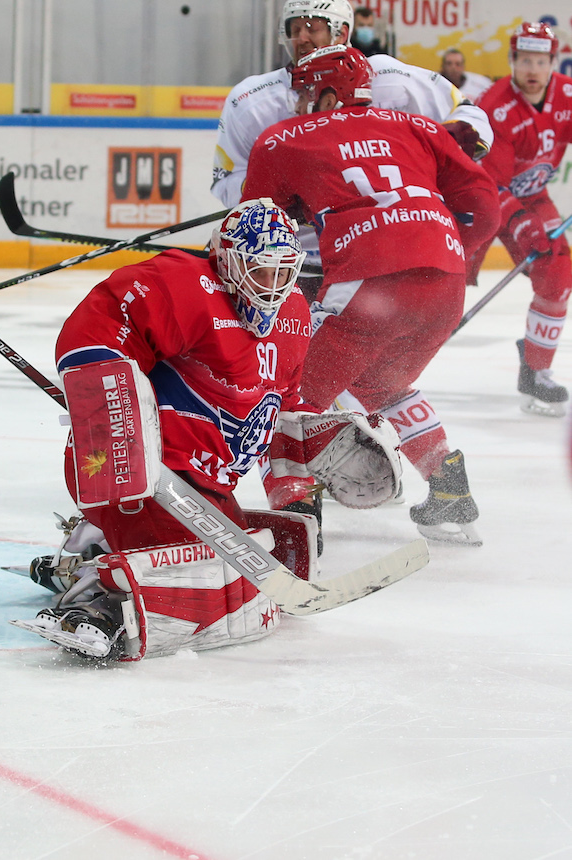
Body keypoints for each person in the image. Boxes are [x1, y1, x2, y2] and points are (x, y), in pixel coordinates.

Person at [13, 199, 402, 661]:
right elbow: (98, 329)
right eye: (261, 272)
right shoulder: (186, 285)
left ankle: (89, 550)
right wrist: (108, 402)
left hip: (206, 487)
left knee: (234, 570)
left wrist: (315, 439)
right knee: (205, 581)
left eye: (284, 273)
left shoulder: (293, 314)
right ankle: (97, 600)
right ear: (229, 261)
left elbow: (280, 405)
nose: (273, 287)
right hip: (146, 474)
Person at [241, 45, 500, 546]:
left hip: (368, 284)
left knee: (286, 395)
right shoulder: (418, 127)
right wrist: (449, 253)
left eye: (303, 94)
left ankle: (297, 520)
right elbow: (484, 207)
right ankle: (449, 489)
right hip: (444, 285)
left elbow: (254, 228)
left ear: (329, 93)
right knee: (381, 384)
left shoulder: (282, 140)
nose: (297, 106)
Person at [213, 0, 491, 215]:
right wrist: (278, 197)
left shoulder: (390, 77)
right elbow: (226, 180)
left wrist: (444, 147)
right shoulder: (251, 99)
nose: (302, 38)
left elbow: (470, 116)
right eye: (294, 29)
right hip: (289, 254)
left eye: (312, 27)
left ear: (342, 32)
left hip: (380, 237)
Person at [471, 22, 572, 417]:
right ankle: (393, 354)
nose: (532, 69)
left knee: (558, 270)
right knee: (439, 282)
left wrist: (531, 223)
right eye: (524, 60)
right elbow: (487, 183)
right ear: (512, 61)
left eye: (541, 61)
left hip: (532, 197)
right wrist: (524, 226)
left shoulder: (566, 93)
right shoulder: (494, 106)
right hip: (476, 201)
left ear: (552, 63)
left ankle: (536, 368)